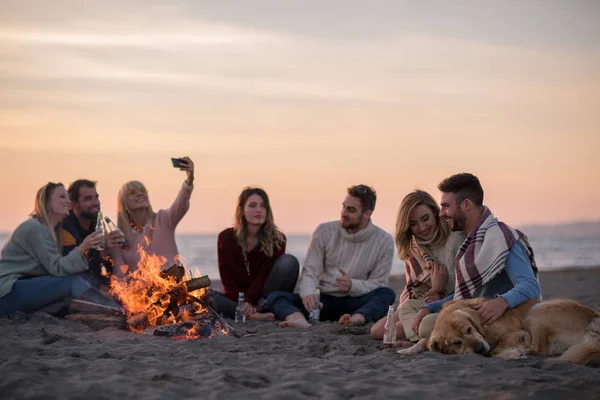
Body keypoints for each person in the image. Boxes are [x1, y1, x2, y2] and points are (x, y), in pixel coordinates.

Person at [412, 173, 541, 340]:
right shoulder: (470, 245)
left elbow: (530, 286)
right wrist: (430, 307)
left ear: (466, 204)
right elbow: (467, 295)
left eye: (445, 206)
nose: (441, 214)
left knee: (429, 326)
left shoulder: (501, 237)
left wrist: (501, 303)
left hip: (509, 318)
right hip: (481, 317)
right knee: (428, 319)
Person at [267, 184, 395, 328]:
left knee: (386, 294)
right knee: (277, 296)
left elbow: (378, 284)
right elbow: (310, 272)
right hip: (323, 302)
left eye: (351, 210)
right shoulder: (324, 231)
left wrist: (352, 285)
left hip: (356, 302)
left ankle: (354, 320)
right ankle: (298, 320)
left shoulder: (384, 241)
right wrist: (308, 294)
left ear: (367, 214)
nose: (344, 213)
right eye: (344, 207)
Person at [0, 182, 120, 317]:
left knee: (67, 299)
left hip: (20, 288)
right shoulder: (35, 228)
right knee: (72, 282)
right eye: (62, 197)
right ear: (46, 202)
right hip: (7, 290)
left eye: (68, 198)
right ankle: (118, 311)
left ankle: (115, 309)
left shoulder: (53, 230)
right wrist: (83, 247)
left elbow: (62, 268)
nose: (68, 201)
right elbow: (57, 269)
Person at [370, 190, 465, 342]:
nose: (421, 228)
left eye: (425, 219)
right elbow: (414, 286)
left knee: (403, 329)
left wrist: (437, 290)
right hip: (422, 299)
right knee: (377, 330)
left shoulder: (454, 239)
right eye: (413, 224)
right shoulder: (415, 245)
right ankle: (414, 332)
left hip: (447, 301)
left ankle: (416, 340)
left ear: (435, 212)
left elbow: (464, 289)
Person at [213, 187, 299, 320]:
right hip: (236, 300)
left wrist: (251, 302)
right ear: (241, 210)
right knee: (203, 295)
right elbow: (227, 279)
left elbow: (263, 277)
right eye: (252, 206)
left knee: (289, 262)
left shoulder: (277, 240)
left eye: (263, 206)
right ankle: (252, 316)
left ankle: (255, 311)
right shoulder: (226, 238)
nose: (259, 210)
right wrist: (243, 302)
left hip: (264, 298)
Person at [111, 157, 194, 276]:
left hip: (174, 286)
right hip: (143, 292)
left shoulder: (164, 219)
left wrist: (189, 180)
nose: (140, 193)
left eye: (143, 190)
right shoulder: (119, 236)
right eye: (133, 193)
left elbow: (181, 204)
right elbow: (120, 274)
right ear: (124, 203)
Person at [61, 179, 124, 289]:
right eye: (88, 199)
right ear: (74, 204)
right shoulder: (65, 227)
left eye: (96, 197)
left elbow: (102, 266)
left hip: (91, 286)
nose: (96, 203)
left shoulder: (96, 224)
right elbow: (78, 268)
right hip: (72, 289)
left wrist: (107, 250)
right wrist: (100, 289)